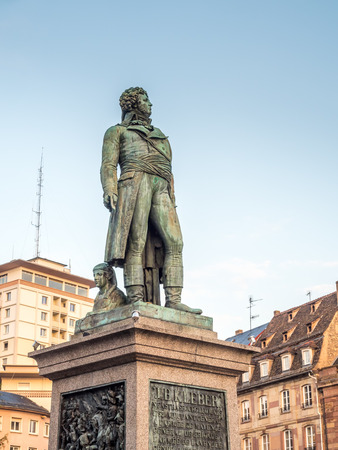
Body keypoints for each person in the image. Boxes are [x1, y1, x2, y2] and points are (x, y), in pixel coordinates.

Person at [101, 87, 201, 314]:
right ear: (133, 103)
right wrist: (109, 187)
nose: (150, 104)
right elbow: (108, 164)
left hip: (161, 184)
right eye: (146, 99)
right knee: (135, 241)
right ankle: (136, 298)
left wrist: (172, 195)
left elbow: (170, 170)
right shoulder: (116, 131)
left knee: (175, 242)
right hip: (135, 180)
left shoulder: (161, 135)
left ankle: (174, 300)